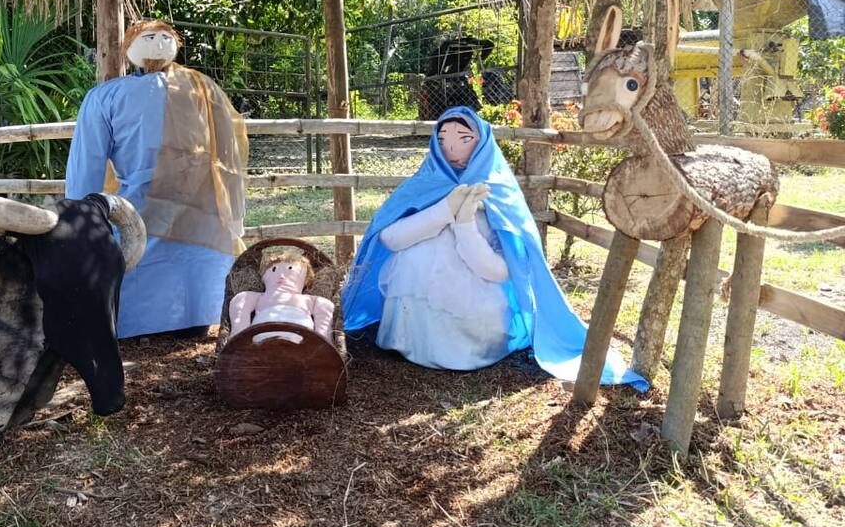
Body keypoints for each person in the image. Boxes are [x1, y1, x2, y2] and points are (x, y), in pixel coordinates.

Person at [341, 106, 647, 389]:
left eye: (464, 138)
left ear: (481, 143)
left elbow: (502, 270)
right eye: (443, 138)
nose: (452, 148)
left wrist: (464, 226)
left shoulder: (497, 194)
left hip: (475, 320)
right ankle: (412, 345)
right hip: (411, 319)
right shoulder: (422, 187)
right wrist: (443, 210)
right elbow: (390, 239)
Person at [66, 20, 247, 338]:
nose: (159, 42)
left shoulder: (106, 96)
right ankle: (199, 315)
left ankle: (142, 323)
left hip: (153, 197)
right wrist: (232, 204)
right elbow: (229, 154)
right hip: (201, 195)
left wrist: (81, 216)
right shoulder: (204, 88)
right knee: (194, 254)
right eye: (151, 36)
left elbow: (87, 163)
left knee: (139, 249)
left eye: (164, 36)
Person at [228, 251, 335, 344]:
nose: (281, 276)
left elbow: (324, 307)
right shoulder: (257, 297)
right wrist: (239, 335)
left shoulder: (308, 300)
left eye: (290, 269)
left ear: (306, 279)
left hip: (301, 341)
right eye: (274, 269)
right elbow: (241, 302)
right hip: (262, 341)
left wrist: (324, 339)